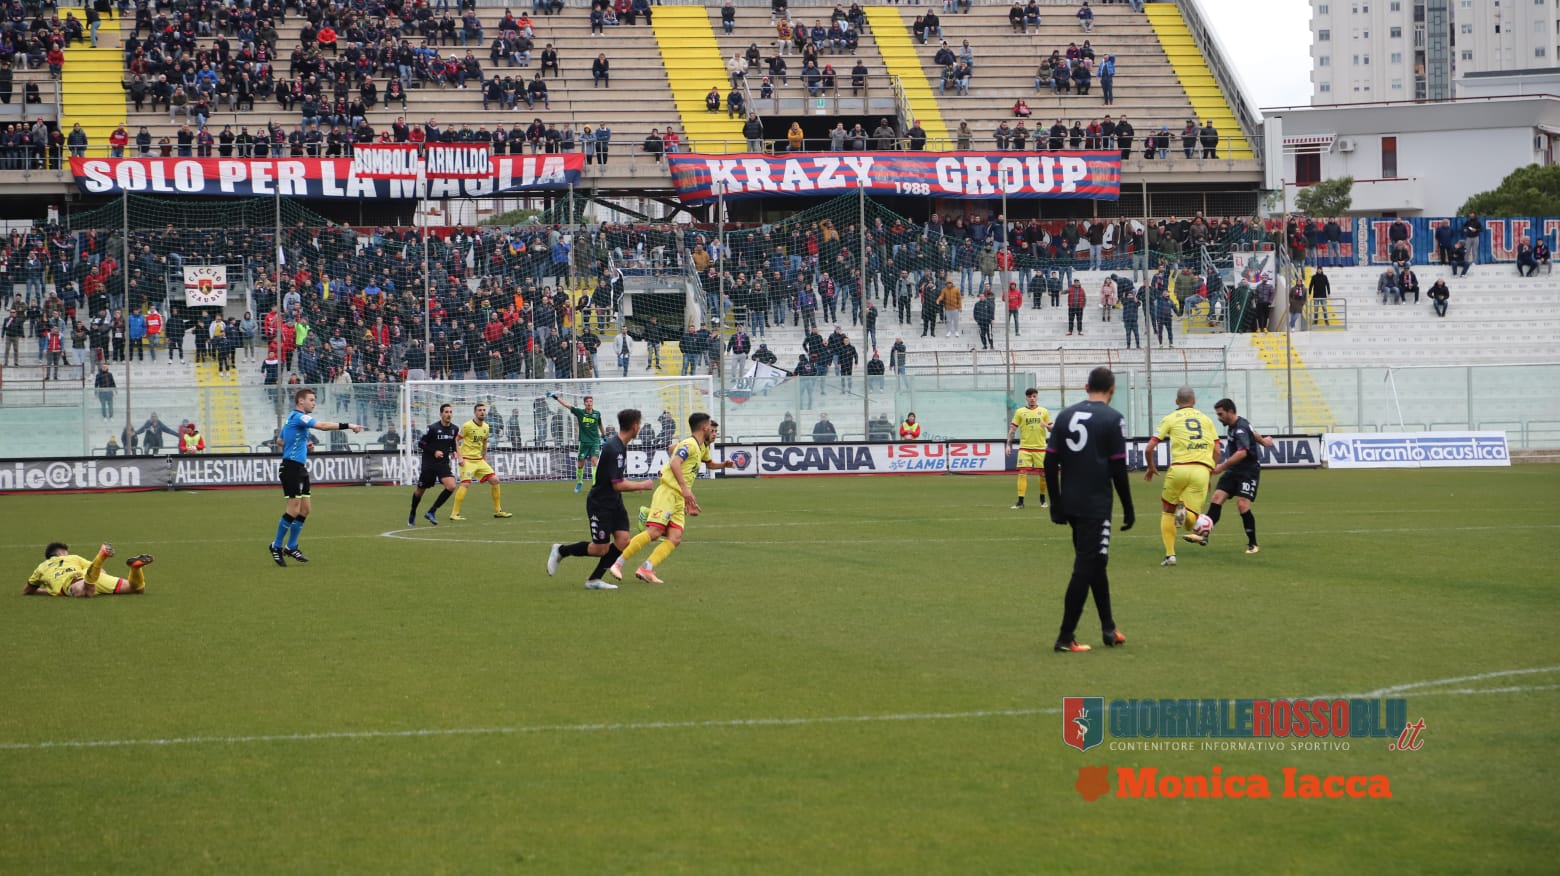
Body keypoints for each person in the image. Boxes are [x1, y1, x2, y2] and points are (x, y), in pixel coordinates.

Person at [1043, 366, 1134, 653]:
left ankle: (1109, 628)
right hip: (1095, 506)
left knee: (1096, 563)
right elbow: (1118, 468)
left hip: (1071, 502)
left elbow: (1049, 462)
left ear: (1086, 387)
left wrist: (1056, 502)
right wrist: (1128, 507)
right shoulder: (1113, 419)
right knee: (1085, 567)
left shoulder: (1065, 415)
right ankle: (1064, 637)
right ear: (1112, 389)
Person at [609, 413, 734, 584]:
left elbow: (706, 462)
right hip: (668, 492)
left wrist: (723, 465)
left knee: (675, 537)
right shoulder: (690, 444)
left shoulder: (701, 447)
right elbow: (675, 462)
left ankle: (646, 568)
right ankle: (617, 563)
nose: (713, 432)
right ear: (705, 427)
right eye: (711, 429)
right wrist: (685, 489)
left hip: (679, 498)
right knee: (654, 533)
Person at [548, 408, 658, 590]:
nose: (639, 427)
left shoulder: (620, 445)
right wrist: (642, 485)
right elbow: (617, 484)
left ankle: (594, 580)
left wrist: (632, 486)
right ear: (635, 426)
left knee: (623, 540)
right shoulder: (614, 448)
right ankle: (561, 550)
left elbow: (616, 481)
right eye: (639, 423)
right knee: (601, 549)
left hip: (614, 501)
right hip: (600, 503)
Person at [269, 388, 362, 567]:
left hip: (300, 469)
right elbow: (323, 426)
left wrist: (302, 445)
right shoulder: (299, 417)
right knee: (293, 510)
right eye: (311, 400)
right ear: (300, 401)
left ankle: (291, 546)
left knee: (305, 510)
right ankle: (276, 545)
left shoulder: (291, 418)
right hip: (290, 468)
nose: (314, 403)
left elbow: (280, 440)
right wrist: (349, 425)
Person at [1142, 386, 1217, 567]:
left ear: (1177, 401)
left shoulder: (1170, 418)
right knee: (1190, 521)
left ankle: (1170, 556)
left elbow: (1149, 448)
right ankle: (1186, 512)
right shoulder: (1206, 419)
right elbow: (1217, 450)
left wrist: (1151, 467)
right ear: (1194, 401)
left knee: (1168, 511)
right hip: (1201, 471)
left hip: (1179, 469)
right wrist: (1209, 474)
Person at [1206, 399, 1274, 555]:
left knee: (1242, 504)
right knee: (1217, 498)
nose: (1219, 418)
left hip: (1248, 471)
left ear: (1230, 411)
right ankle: (1203, 534)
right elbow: (1253, 432)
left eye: (1220, 414)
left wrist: (1222, 466)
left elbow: (1242, 453)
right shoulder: (1238, 424)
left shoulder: (1240, 428)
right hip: (1234, 470)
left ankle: (1253, 544)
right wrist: (1263, 441)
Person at [450, 402, 513, 521]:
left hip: (479, 460)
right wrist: (459, 456)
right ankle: (454, 513)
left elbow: (484, 443)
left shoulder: (486, 427)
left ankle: (498, 511)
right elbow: (455, 440)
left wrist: (484, 458)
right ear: (475, 412)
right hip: (467, 460)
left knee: (495, 480)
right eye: (479, 410)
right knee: (465, 484)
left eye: (484, 410)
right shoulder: (467, 426)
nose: (482, 412)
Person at [24, 542, 154, 598]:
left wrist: (48, 590)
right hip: (94, 577)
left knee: (87, 592)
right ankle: (135, 569)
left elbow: (28, 590)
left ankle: (101, 557)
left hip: (72, 581)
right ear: (62, 553)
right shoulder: (73, 558)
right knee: (137, 589)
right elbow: (102, 571)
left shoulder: (41, 568)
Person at [409, 403, 461, 526]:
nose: (449, 414)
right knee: (420, 491)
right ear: (441, 414)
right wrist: (434, 452)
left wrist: (454, 451)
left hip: (443, 463)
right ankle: (413, 512)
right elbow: (421, 444)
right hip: (429, 464)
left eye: (450, 412)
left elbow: (452, 442)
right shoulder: (433, 428)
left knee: (451, 486)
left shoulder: (455, 429)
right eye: (446, 412)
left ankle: (431, 511)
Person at [548, 392, 604, 493]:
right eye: (587, 402)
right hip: (583, 443)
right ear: (584, 403)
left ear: (592, 403)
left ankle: (595, 484)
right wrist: (555, 397)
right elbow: (567, 405)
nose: (589, 403)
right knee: (580, 465)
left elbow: (600, 424)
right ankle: (579, 482)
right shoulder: (580, 412)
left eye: (591, 401)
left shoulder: (597, 414)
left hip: (595, 442)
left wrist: (604, 435)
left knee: (594, 462)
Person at [1008, 387, 1052, 509]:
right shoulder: (1020, 412)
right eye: (1029, 397)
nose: (1032, 399)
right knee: (1022, 473)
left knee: (1043, 474)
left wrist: (1046, 425)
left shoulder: (1044, 411)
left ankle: (1042, 499)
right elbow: (1012, 429)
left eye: (1034, 396)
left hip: (1040, 448)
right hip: (1025, 448)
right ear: (1026, 398)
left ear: (1037, 397)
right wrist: (1008, 445)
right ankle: (1020, 502)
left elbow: (1052, 429)